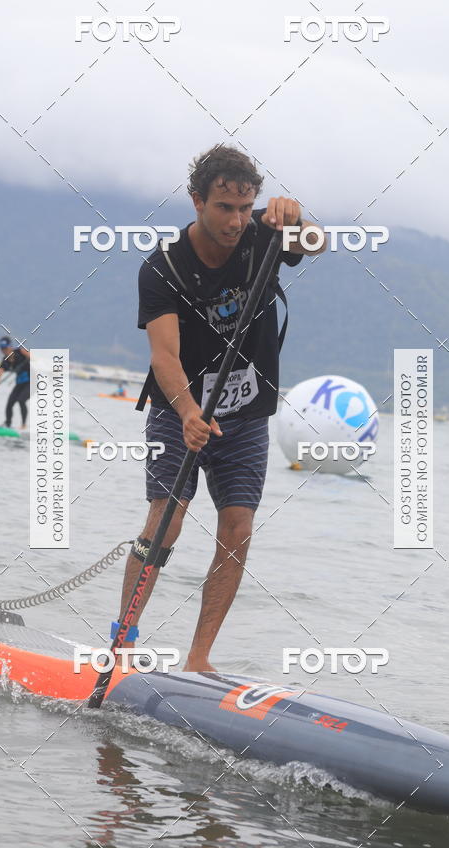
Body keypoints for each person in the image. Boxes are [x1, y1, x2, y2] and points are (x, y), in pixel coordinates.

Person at [116, 145, 326, 671]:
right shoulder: (162, 267)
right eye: (223, 209)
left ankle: (199, 660)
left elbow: (318, 244)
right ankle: (123, 643)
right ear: (196, 202)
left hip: (248, 413)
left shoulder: (264, 235)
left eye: (243, 207)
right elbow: (164, 355)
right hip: (178, 409)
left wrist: (297, 215)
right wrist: (188, 411)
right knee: (166, 521)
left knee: (237, 528)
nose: (235, 221)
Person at [0, 337, 31, 428]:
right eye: (2, 348)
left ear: (10, 346)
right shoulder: (5, 360)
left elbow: (35, 359)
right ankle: (8, 424)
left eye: (5, 348)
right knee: (10, 403)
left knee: (21, 400)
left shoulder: (20, 351)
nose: (3, 350)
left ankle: (23, 425)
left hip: (32, 382)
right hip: (20, 383)